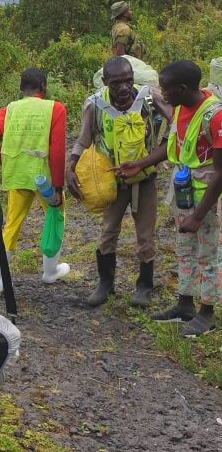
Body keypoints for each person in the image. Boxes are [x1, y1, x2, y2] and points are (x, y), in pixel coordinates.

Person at [117, 60, 222, 336]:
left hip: (207, 200)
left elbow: (221, 172)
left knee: (208, 256)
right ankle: (184, 305)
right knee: (184, 250)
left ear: (183, 88)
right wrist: (140, 163)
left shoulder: (215, 116)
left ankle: (207, 313)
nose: (162, 95)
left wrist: (199, 215)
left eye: (166, 89)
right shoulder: (180, 109)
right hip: (183, 194)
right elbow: (171, 148)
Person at [67, 56, 172, 308]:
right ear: (105, 82)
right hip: (111, 181)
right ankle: (105, 283)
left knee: (145, 235)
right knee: (107, 232)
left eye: (128, 81)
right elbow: (83, 140)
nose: (124, 88)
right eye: (116, 83)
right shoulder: (95, 105)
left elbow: (176, 120)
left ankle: (144, 286)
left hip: (145, 180)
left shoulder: (148, 98)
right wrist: (70, 167)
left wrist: (165, 144)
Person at [0, 68, 69, 295]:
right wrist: (58, 186)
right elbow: (57, 152)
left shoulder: (8, 110)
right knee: (56, 215)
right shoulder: (55, 109)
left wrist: (11, 163)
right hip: (45, 179)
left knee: (11, 225)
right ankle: (50, 272)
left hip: (17, 177)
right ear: (43, 86)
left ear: (21, 89)